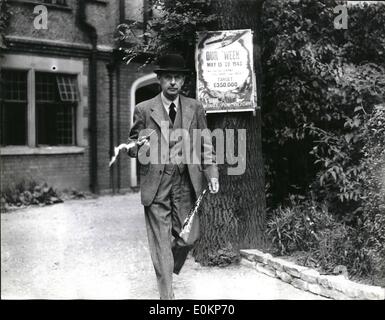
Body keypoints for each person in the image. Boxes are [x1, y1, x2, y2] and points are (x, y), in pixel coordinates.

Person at [127, 53, 219, 299]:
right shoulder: (144, 109)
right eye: (168, 77)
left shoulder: (195, 108)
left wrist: (211, 172)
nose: (173, 82)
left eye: (178, 77)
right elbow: (133, 146)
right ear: (159, 79)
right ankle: (167, 298)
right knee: (160, 246)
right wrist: (139, 146)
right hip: (157, 185)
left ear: (184, 81)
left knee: (189, 237)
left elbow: (205, 143)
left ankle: (167, 256)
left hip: (186, 183)